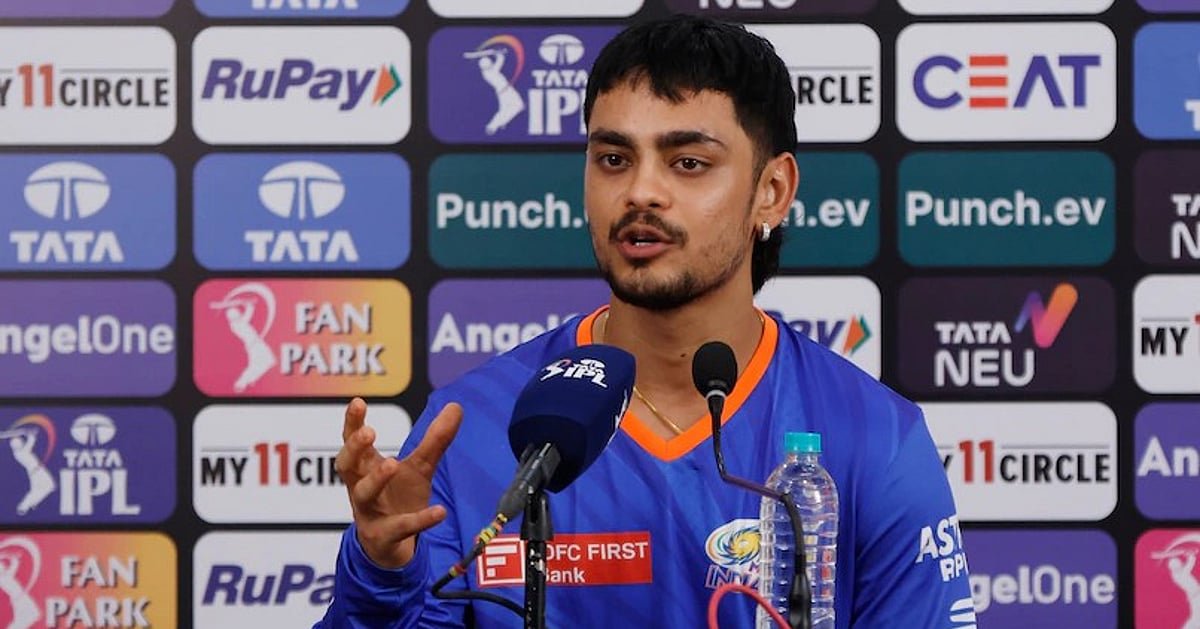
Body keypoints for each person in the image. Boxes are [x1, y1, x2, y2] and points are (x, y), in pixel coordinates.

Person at [318, 14, 972, 628]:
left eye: (688, 162)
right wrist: (381, 570)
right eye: (614, 159)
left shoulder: (875, 440)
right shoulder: (474, 425)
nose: (640, 192)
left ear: (771, 192)